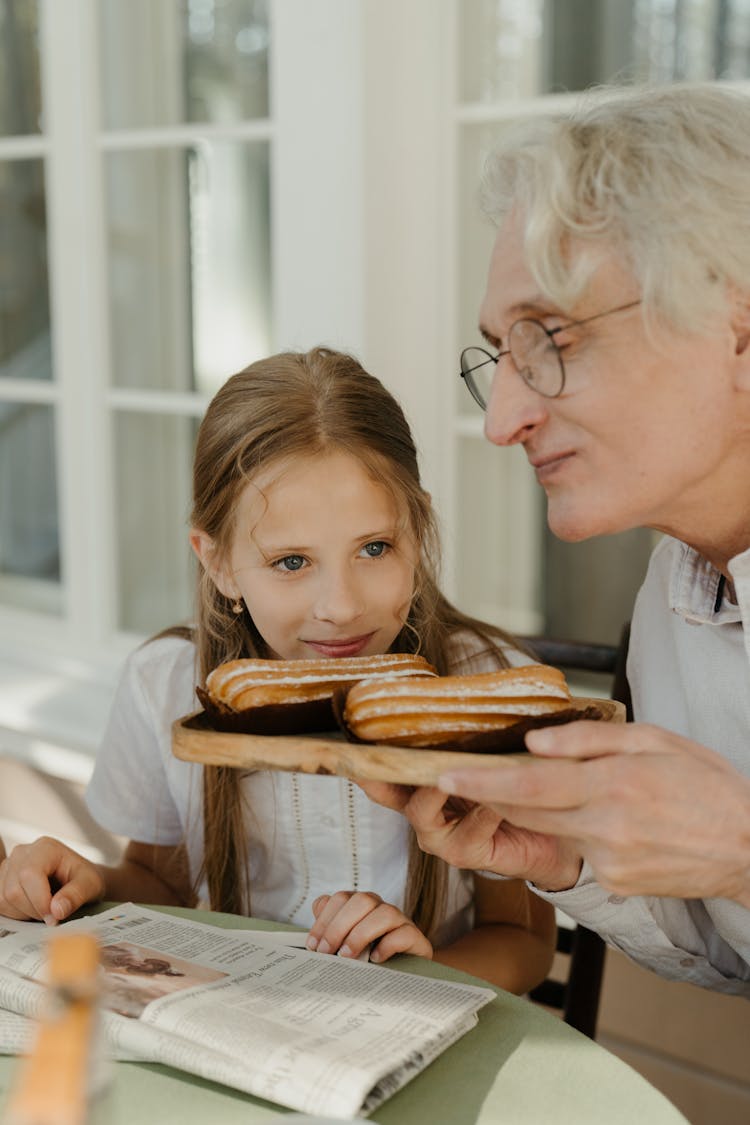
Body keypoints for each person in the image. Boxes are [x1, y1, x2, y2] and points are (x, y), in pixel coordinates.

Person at [0, 347, 554, 995]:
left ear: (417, 526)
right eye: (291, 561)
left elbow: (524, 940)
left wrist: (418, 974)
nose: (341, 607)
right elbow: (163, 885)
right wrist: (86, 880)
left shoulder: (483, 683)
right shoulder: (167, 685)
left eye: (374, 547)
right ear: (219, 563)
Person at [363, 82, 750, 997]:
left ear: (738, 329)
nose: (503, 419)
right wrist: (565, 858)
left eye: (551, 336)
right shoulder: (676, 590)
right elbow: (730, 957)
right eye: (502, 351)